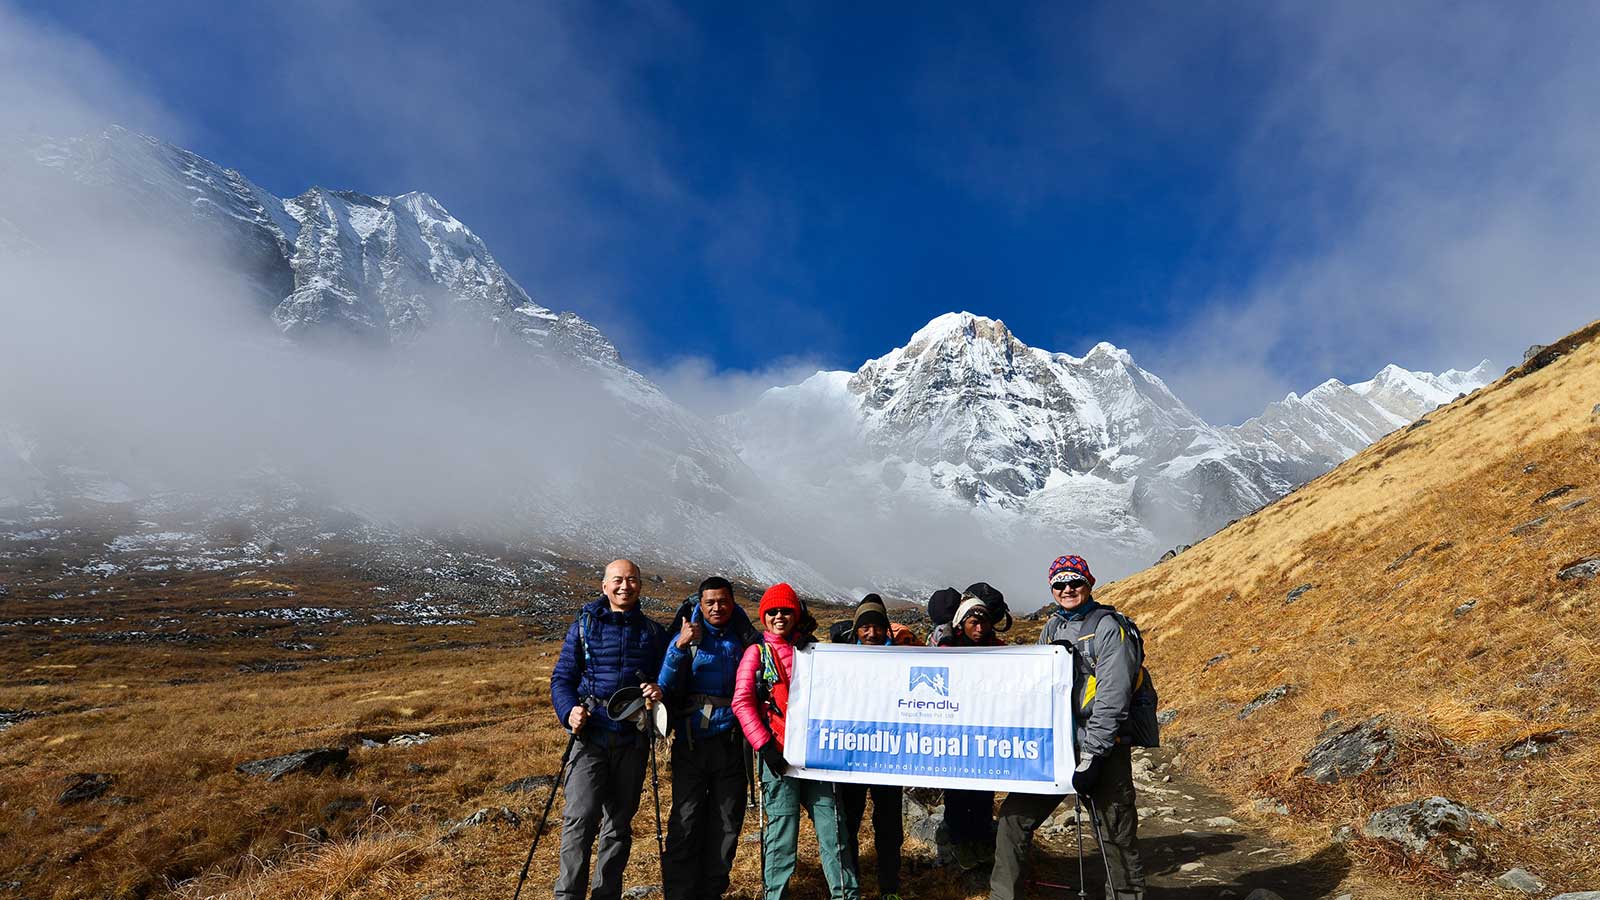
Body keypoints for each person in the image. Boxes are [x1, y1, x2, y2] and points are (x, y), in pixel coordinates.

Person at [989, 555, 1146, 900]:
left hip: (1102, 751)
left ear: (1089, 584)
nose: (1067, 589)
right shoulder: (1052, 628)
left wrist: (1094, 757)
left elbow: (1113, 698)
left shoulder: (1110, 628)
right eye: (1059, 584)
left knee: (1115, 838)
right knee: (1013, 821)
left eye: (1075, 581)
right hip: (1054, 750)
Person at [549, 559, 670, 900]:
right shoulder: (585, 626)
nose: (625, 586)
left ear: (640, 586)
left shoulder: (652, 633)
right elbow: (562, 678)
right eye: (617, 580)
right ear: (604, 586)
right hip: (590, 735)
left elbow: (666, 679)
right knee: (580, 819)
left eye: (632, 580)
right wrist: (567, 712)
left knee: (618, 825)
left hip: (632, 739)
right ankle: (568, 895)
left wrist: (659, 691)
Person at [732, 583, 860, 900]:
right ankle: (775, 895)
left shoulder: (813, 650)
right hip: (777, 755)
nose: (779, 616)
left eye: (786, 611)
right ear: (764, 616)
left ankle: (846, 894)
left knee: (833, 829)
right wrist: (764, 747)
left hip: (815, 756)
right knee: (781, 834)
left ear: (796, 614)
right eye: (772, 611)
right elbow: (742, 702)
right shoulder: (756, 653)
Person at [657, 576, 760, 900]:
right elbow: (665, 683)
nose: (717, 607)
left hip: (731, 743)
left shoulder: (744, 639)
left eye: (723, 601)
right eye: (710, 602)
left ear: (733, 602)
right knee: (685, 821)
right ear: (700, 604)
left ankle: (711, 892)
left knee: (727, 822)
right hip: (691, 743)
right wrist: (680, 646)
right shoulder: (688, 636)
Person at [835, 595, 907, 900]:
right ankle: (851, 884)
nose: (871, 633)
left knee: (889, 824)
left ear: (886, 629)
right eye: (865, 627)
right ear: (856, 630)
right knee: (849, 821)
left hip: (889, 756)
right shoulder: (841, 661)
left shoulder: (903, 660)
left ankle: (889, 886)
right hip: (852, 755)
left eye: (877, 627)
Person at [937, 588, 1005, 871]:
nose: (979, 628)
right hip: (955, 737)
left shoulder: (1000, 651)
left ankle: (980, 843)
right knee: (956, 794)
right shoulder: (946, 651)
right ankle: (958, 844)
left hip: (986, 737)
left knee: (983, 794)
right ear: (961, 624)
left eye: (983, 622)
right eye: (972, 623)